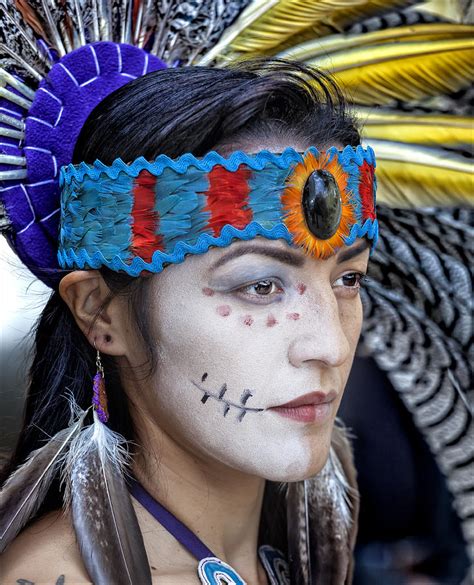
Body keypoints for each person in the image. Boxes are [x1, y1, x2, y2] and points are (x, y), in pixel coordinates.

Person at [0, 59, 377, 584]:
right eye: (260, 287)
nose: (331, 345)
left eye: (348, 280)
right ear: (101, 312)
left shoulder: (300, 556)